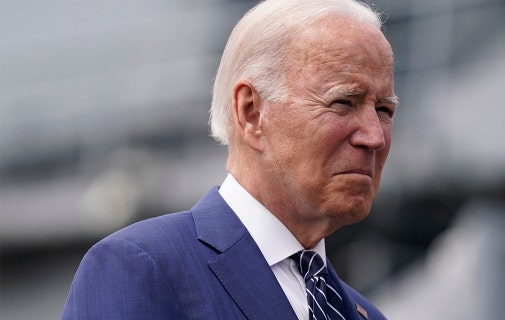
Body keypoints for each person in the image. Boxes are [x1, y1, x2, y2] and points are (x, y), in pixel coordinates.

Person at [62, 0, 397, 319]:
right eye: (342, 102)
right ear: (251, 113)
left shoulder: (363, 313)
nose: (375, 137)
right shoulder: (140, 268)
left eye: (384, 110)